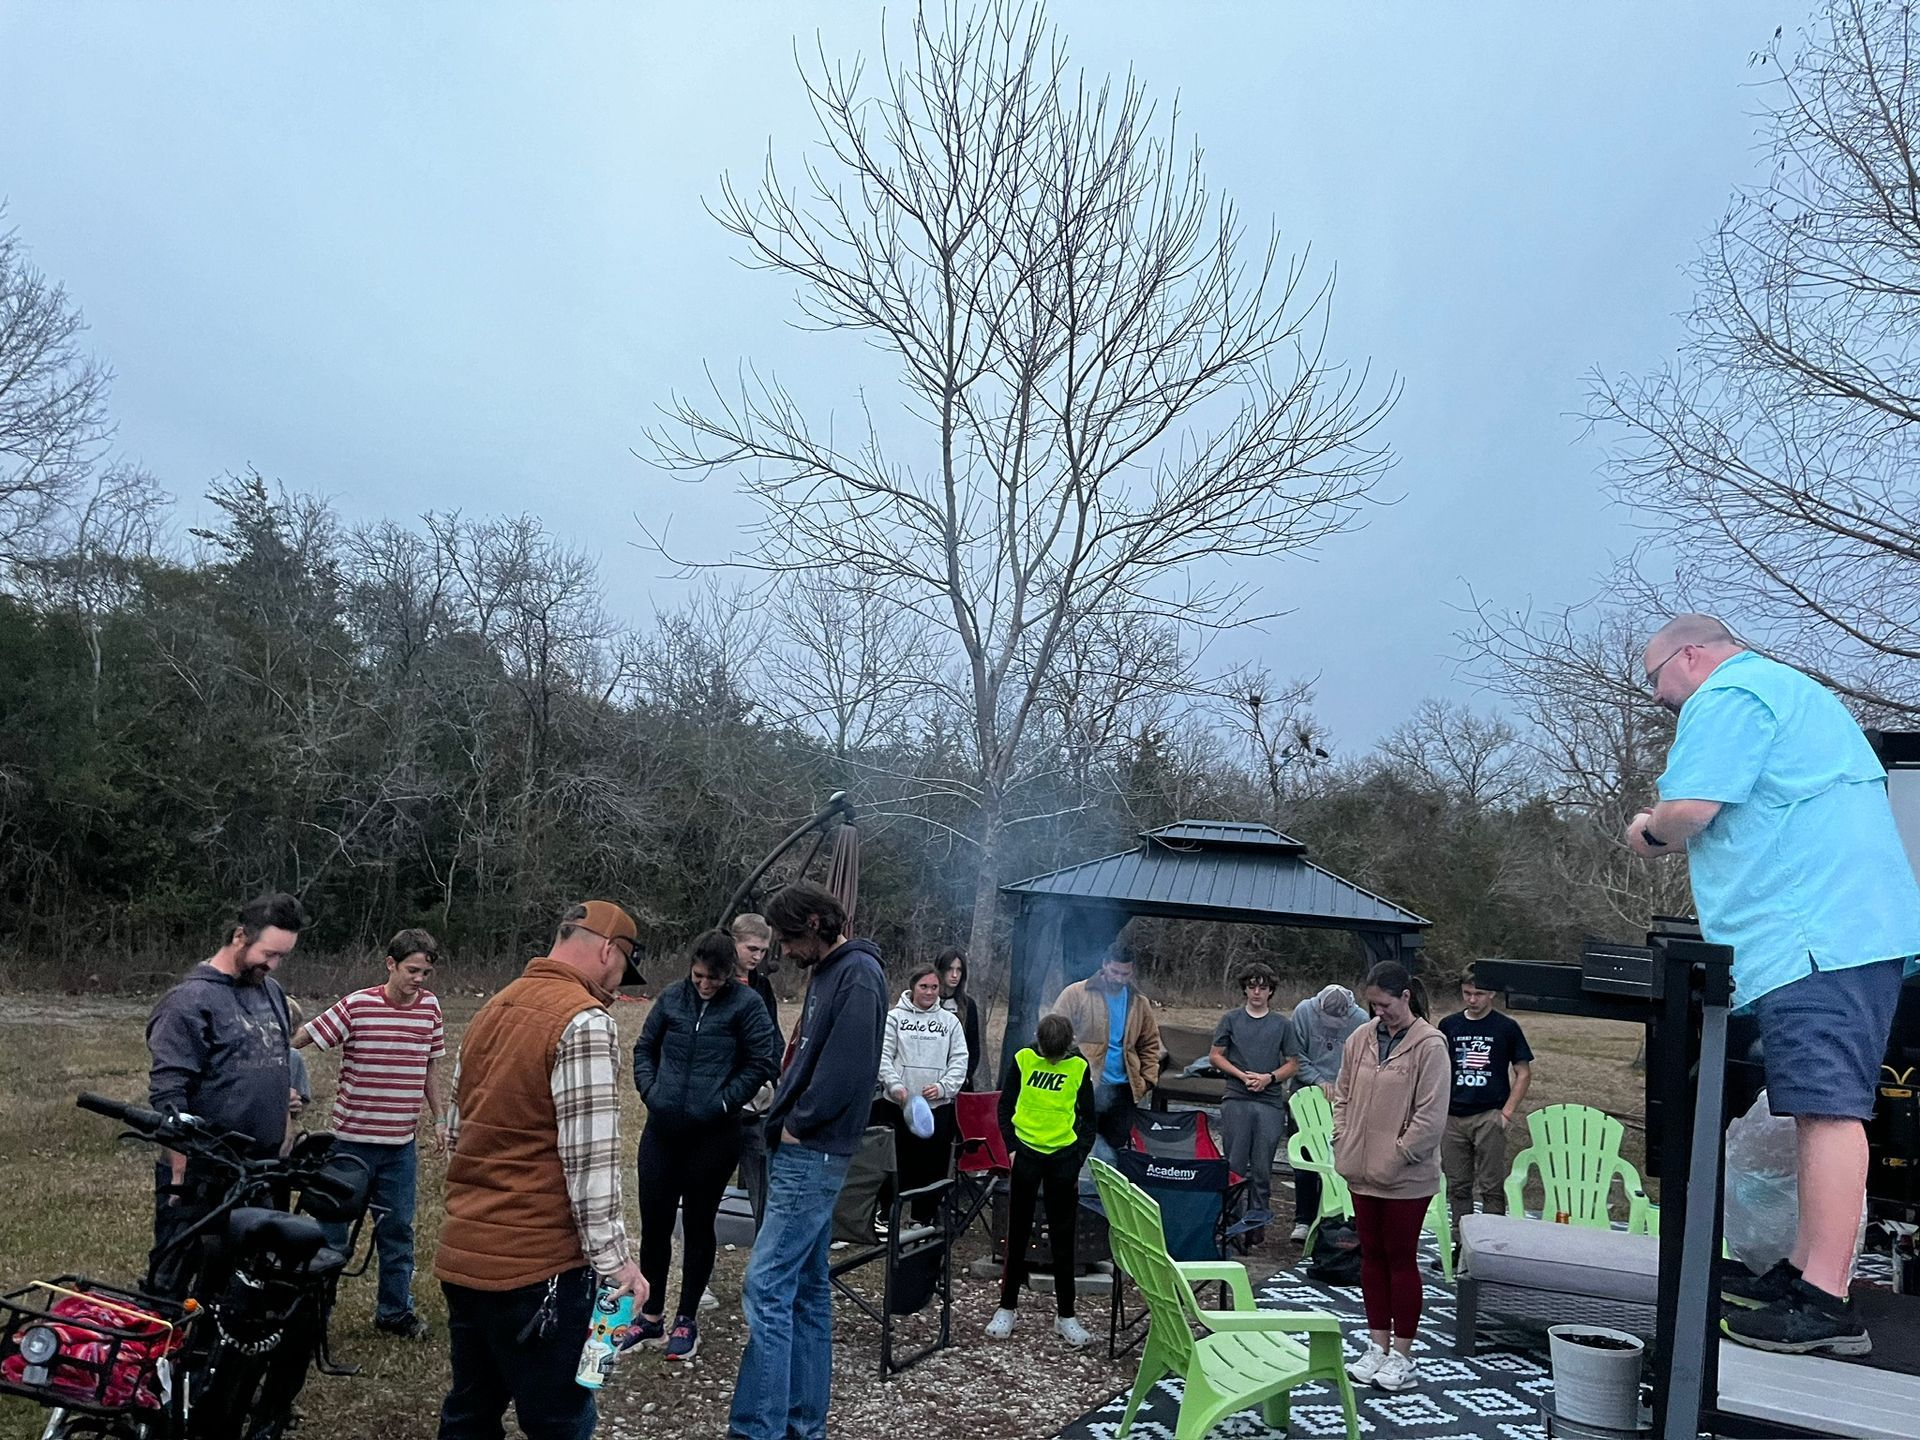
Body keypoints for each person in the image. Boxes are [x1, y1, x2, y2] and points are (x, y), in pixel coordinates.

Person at [1627, 613, 1920, 1356]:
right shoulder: (1797, 695)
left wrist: (1648, 830)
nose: (1661, 700)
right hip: (1840, 929)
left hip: (1815, 934)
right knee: (1814, 1106)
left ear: (1691, 656)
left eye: (1658, 682)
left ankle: (1825, 1301)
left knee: (1827, 1109)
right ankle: (1801, 1271)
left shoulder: (1729, 694)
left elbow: (1691, 810)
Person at [434, 900, 648, 1440]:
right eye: (623, 965)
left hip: (464, 1255)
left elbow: (455, 1131)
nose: (618, 981)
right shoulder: (583, 1021)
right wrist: (618, 1265)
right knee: (558, 1422)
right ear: (607, 949)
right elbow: (590, 1162)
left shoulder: (493, 1008)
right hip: (537, 1271)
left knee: (469, 1415)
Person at [728, 882, 887, 1440]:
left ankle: (758, 1430)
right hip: (806, 1149)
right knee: (808, 1289)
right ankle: (802, 1425)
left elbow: (848, 1074)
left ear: (817, 922)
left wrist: (798, 1125)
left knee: (766, 1286)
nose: (785, 951)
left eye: (792, 938)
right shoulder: (829, 971)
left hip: (813, 1153)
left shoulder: (859, 975)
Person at [145, 891, 306, 1298]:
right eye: (268, 954)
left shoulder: (269, 990)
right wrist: (180, 1180)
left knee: (250, 1286)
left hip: (262, 1169)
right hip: (205, 1175)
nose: (272, 966)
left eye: (282, 957)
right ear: (240, 936)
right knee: (178, 1286)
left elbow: (274, 1063)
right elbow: (169, 1097)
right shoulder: (190, 1001)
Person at [631, 929, 782, 1361]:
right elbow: (645, 1048)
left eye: (714, 979)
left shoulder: (747, 1005)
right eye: (698, 976)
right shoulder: (672, 999)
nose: (704, 985)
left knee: (699, 1226)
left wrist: (723, 1101)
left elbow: (763, 1061)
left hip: (714, 1135)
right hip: (661, 1129)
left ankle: (687, 1319)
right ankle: (651, 1316)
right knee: (655, 1225)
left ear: (728, 974)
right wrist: (651, 1092)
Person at [294, 927, 450, 1339]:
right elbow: (305, 1036)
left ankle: (394, 1312)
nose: (418, 979)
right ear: (390, 965)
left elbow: (431, 1066)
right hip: (351, 1145)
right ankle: (315, 1313)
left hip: (399, 1148)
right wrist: (270, 1046)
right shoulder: (357, 1005)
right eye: (412, 970)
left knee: (397, 1232)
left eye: (425, 973)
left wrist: (439, 1118)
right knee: (331, 1234)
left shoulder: (430, 1009)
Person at [1333, 960, 1449, 1394]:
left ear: (1405, 997)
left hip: (1405, 1178)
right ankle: (1376, 1345)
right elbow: (1341, 1093)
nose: (1379, 1012)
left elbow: (1431, 1116)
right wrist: (1341, 1137)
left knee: (1401, 1259)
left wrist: (1398, 1156)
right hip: (1359, 1171)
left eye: (1385, 1004)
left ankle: (1403, 1354)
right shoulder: (1360, 1039)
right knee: (1371, 1257)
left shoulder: (1430, 1045)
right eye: (1372, 1005)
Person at [986, 1013, 1096, 1347]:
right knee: (1016, 1233)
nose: (1053, 1060)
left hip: (1063, 1158)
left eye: (1058, 1055)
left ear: (1069, 1045)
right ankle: (1006, 1308)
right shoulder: (1022, 1060)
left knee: (1064, 1237)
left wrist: (1077, 1157)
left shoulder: (1079, 1066)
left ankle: (1066, 1316)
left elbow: (1088, 1119)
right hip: (1026, 1156)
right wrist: (1013, 1148)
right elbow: (1004, 1108)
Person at [1437, 964, 1532, 1257]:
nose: (1472, 1000)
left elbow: (1523, 1072)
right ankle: (1460, 1243)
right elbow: (1436, 1069)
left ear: (1491, 993)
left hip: (1489, 1114)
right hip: (1452, 1116)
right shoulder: (1449, 1025)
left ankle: (1492, 1244)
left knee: (1491, 1185)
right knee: (1458, 1185)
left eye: (1478, 994)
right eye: (1467, 993)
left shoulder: (1506, 1027)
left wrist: (1505, 1113)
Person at [1048, 940, 1162, 1160]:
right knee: (1075, 1146)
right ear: (1104, 965)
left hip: (1123, 1089)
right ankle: (1074, 1190)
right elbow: (1054, 1034)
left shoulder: (1139, 1002)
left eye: (1125, 974)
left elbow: (1150, 1044)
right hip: (1084, 1086)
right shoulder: (1076, 993)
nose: (1119, 978)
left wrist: (1147, 1079)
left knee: (1114, 1151)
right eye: (1115, 972)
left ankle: (1104, 1193)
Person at [875, 961, 969, 1223]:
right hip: (898, 1106)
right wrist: (897, 1089)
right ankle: (887, 1216)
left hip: (937, 1108)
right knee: (895, 1164)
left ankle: (923, 1218)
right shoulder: (894, 1018)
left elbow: (960, 1061)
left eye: (934, 987)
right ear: (912, 987)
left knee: (931, 1167)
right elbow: (883, 1057)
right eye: (924, 986)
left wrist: (942, 1088)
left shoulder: (950, 1022)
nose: (929, 992)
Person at [1209, 962, 1298, 1228]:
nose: (1257, 992)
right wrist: (1241, 1075)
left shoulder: (1282, 1024)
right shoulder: (1230, 1019)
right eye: (1252, 987)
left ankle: (1258, 1223)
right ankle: (1231, 1220)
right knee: (1234, 1164)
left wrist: (1269, 1078)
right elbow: (1215, 1055)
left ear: (1271, 991)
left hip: (1269, 1101)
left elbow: (1293, 1063)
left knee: (1262, 1167)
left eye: (1263, 987)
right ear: (1245, 989)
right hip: (1237, 1096)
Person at [1288, 983, 1368, 1241]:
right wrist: (1318, 1080)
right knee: (1307, 1158)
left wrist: (1342, 1087)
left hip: (1343, 1095)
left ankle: (1337, 1217)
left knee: (1339, 1159)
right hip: (1307, 1091)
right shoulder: (1303, 1012)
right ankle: (1303, 1219)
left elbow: (1362, 1059)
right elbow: (1295, 1055)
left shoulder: (1361, 1020)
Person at [732, 912, 779, 1229]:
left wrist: (774, 1075)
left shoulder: (763, 986)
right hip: (721, 1104)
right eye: (751, 948)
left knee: (764, 1191)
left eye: (763, 951)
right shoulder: (712, 982)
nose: (757, 956)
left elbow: (774, 1036)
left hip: (758, 1103)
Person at [936, 947, 983, 1091]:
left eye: (959, 970)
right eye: (950, 969)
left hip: (960, 1083)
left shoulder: (968, 1005)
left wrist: (966, 1075)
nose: (954, 975)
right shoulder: (929, 1002)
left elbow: (973, 1046)